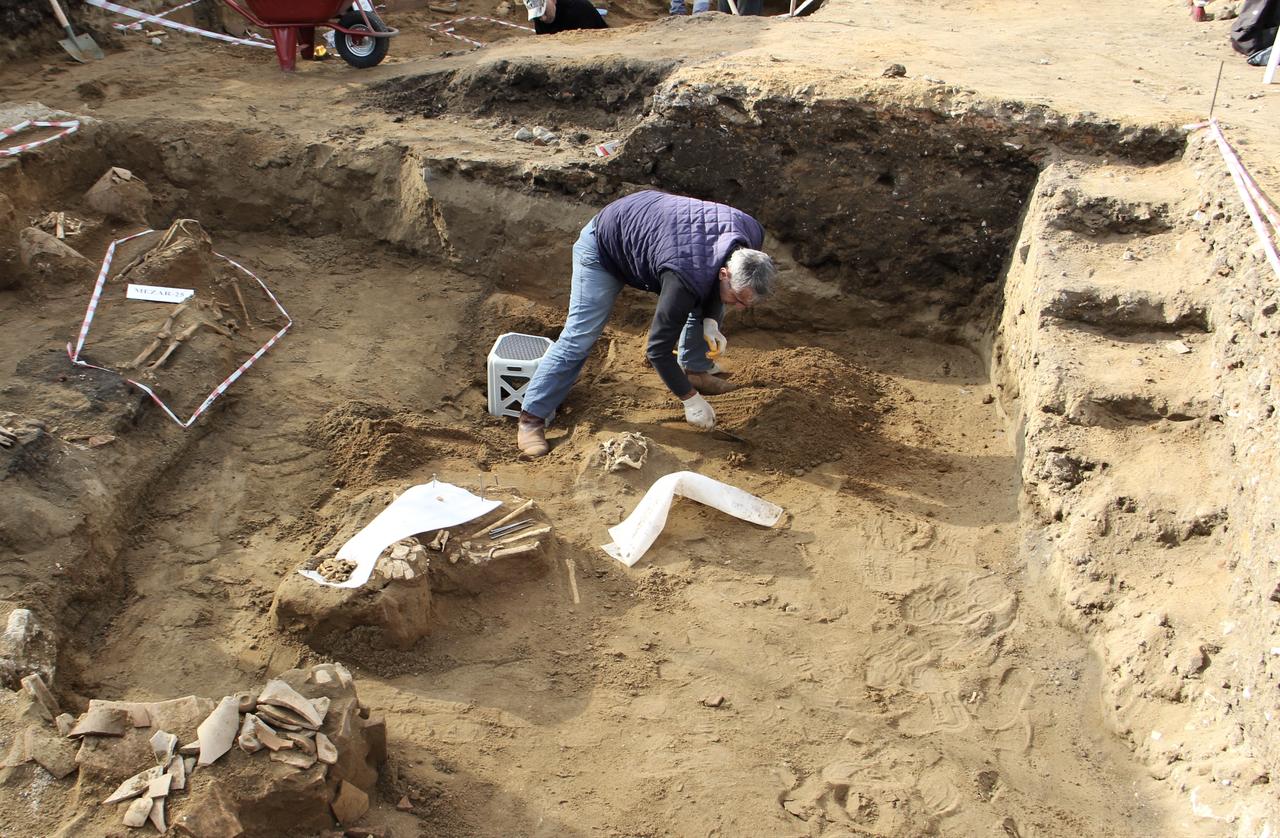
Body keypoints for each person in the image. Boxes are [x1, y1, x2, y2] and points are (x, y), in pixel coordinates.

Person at [516, 190, 776, 457]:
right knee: (579, 336)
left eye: (747, 303)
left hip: (664, 235)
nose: (740, 308)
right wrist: (690, 400)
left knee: (716, 296)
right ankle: (531, 419)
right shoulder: (684, 277)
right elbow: (658, 351)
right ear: (725, 273)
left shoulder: (751, 236)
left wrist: (710, 319)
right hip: (606, 246)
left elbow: (716, 280)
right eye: (738, 299)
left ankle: (696, 371)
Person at [523, 0, 607, 34]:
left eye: (544, 11)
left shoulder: (580, 10)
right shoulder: (540, 18)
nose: (543, 18)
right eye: (537, 14)